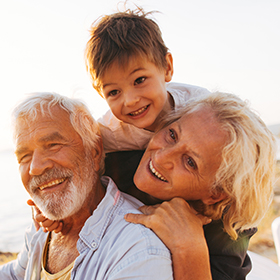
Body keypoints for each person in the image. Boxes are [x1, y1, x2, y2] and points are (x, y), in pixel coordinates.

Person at [0, 92, 173, 280]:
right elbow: (16, 274)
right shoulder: (41, 227)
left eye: (53, 145)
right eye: (24, 156)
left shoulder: (136, 250)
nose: (35, 168)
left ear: (95, 151)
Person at [85, 6, 210, 154]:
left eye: (139, 80)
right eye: (113, 92)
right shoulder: (109, 133)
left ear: (167, 67)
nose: (130, 101)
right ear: (102, 95)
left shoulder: (200, 106)